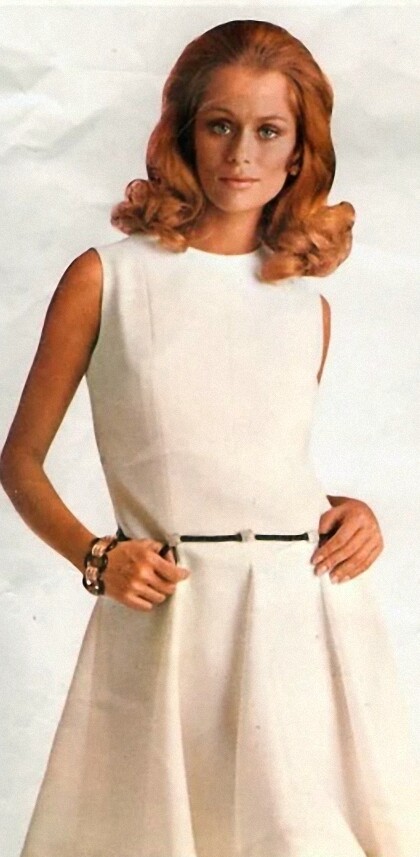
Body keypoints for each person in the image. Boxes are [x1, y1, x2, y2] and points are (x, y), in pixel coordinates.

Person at [1, 18, 419, 857]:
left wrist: (352, 508)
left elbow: (261, 463)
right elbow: (19, 461)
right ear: (186, 130)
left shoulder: (306, 305)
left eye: (269, 131)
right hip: (171, 617)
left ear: (300, 152)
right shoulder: (107, 277)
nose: (241, 154)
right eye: (221, 124)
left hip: (304, 620)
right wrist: (96, 556)